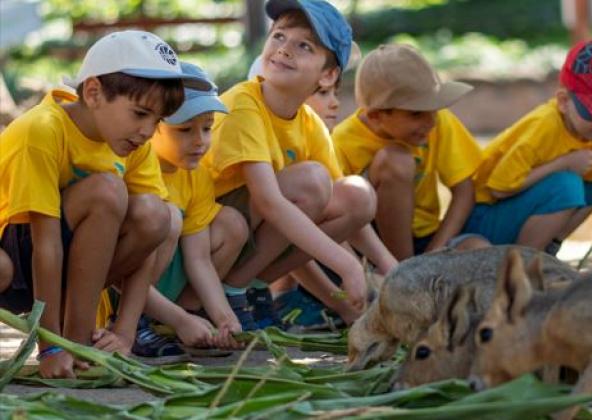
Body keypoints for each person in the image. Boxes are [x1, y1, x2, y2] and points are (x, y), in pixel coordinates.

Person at [0, 30, 208, 378]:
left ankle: (82, 345)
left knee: (160, 215)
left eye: (156, 120)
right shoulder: (41, 130)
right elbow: (46, 245)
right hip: (17, 260)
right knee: (107, 191)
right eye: (140, 113)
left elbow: (151, 236)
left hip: (74, 262)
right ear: (94, 92)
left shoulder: (134, 144)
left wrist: (124, 332)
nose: (147, 131)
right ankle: (66, 342)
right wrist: (49, 346)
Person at [203, 0, 392, 329]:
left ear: (328, 75)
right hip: (208, 240)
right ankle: (232, 290)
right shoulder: (243, 103)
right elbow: (269, 201)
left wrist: (390, 267)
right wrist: (347, 266)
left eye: (303, 45)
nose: (284, 49)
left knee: (357, 196)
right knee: (312, 181)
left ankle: (249, 286)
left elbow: (344, 206)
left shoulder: (309, 123)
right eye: (278, 36)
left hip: (246, 237)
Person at [461, 40, 592, 254]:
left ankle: (548, 247)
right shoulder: (542, 128)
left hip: (511, 211)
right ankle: (524, 261)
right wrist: (562, 164)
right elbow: (499, 189)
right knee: (567, 185)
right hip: (482, 216)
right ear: (564, 102)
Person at [130, 62, 246, 361]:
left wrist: (224, 317)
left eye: (207, 128)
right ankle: (131, 321)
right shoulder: (138, 166)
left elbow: (199, 258)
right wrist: (180, 320)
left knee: (231, 224)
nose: (200, 141)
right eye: (184, 130)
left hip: (159, 281)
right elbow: (119, 268)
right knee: (168, 218)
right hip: (121, 283)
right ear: (153, 127)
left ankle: (181, 318)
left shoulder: (195, 173)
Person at [333, 44, 489, 261]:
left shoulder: (438, 120)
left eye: (434, 108)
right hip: (375, 247)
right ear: (376, 115)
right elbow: (337, 216)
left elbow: (464, 190)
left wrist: (435, 252)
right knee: (396, 160)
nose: (431, 122)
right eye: (416, 114)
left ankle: (417, 273)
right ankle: (401, 272)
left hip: (429, 238)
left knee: (481, 250)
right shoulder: (342, 142)